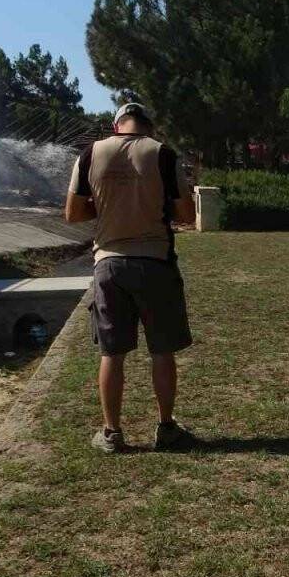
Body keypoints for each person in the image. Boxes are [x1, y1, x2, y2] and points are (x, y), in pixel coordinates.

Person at [64, 103, 198, 453]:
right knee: (162, 351)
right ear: (148, 128)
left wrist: (107, 206)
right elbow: (186, 214)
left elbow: (73, 213)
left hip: (109, 264)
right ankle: (166, 428)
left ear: (116, 125)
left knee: (112, 353)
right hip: (155, 262)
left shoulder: (91, 153)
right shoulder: (163, 154)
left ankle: (112, 433)